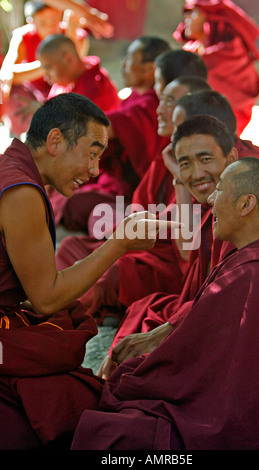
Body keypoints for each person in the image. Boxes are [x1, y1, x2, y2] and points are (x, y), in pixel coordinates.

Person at [72, 157, 259, 450]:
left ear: (245, 205)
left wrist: (134, 375)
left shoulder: (254, 271)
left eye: (220, 190)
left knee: (111, 430)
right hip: (254, 404)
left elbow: (196, 366)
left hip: (245, 423)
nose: (211, 199)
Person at [0, 92, 180, 450]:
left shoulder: (13, 166)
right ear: (55, 141)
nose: (96, 169)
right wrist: (117, 244)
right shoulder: (20, 192)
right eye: (92, 151)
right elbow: (46, 297)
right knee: (69, 400)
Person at [98, 109, 259, 378]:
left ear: (232, 156)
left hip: (243, 329)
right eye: (185, 162)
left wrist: (171, 328)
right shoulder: (219, 196)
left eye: (205, 159)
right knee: (141, 308)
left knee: (137, 372)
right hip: (203, 301)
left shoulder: (254, 197)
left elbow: (236, 296)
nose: (197, 172)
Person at [55, 76, 212, 325]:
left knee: (112, 273)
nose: (159, 109)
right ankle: (87, 302)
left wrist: (179, 179)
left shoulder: (206, 168)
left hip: (170, 263)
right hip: (147, 247)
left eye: (169, 102)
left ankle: (63, 305)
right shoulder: (165, 158)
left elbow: (186, 251)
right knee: (72, 247)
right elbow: (140, 210)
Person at [49, 35, 171, 233]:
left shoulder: (151, 104)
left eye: (130, 59)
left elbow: (105, 126)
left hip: (136, 191)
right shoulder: (133, 96)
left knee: (72, 203)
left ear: (150, 69)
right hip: (111, 179)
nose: (123, 65)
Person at [0, 1, 90, 136]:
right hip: (33, 96)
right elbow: (8, 74)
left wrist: (71, 36)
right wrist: (51, 63)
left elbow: (73, 71)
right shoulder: (23, 37)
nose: (51, 28)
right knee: (11, 92)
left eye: (54, 20)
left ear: (60, 15)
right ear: (32, 23)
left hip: (63, 95)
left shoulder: (74, 34)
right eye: (43, 23)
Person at [173, 0, 259, 135]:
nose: (186, 19)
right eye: (187, 13)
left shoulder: (231, 50)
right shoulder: (191, 49)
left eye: (194, 13)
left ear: (212, 18)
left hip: (226, 125)